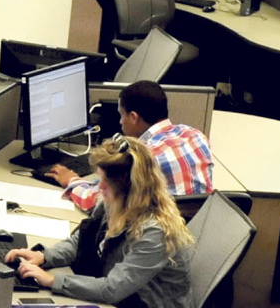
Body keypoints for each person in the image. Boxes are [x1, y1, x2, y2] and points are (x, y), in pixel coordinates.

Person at [6, 135, 195, 308]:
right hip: (117, 296)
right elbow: (81, 242)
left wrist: (52, 281)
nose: (100, 186)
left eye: (105, 182)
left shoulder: (155, 231)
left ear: (128, 189)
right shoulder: (114, 201)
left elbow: (113, 289)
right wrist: (45, 256)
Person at [47, 80, 214, 212]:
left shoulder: (141, 159)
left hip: (154, 235)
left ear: (133, 117)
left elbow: (94, 202)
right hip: (192, 226)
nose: (120, 122)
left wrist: (71, 180)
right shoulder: (196, 136)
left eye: (121, 115)